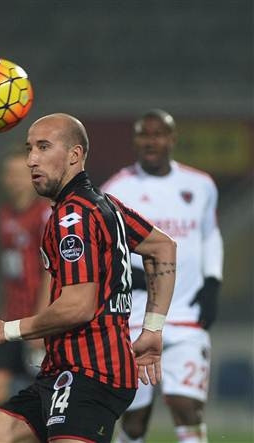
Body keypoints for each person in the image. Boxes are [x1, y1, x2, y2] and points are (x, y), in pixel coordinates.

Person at [0, 113, 178, 443]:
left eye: (44, 147)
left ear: (75, 155)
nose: (32, 160)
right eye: (30, 148)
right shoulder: (103, 204)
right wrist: (153, 328)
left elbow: (78, 306)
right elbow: (163, 247)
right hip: (62, 371)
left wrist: (4, 330)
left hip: (92, 373)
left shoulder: (72, 216)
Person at [102, 109, 223, 443]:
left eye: (158, 134)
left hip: (187, 315)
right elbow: (103, 249)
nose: (150, 141)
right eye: (144, 134)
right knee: (135, 419)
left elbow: (210, 235)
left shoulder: (201, 185)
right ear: (134, 141)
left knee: (188, 407)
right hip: (136, 317)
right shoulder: (116, 189)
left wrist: (213, 282)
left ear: (172, 139)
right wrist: (129, 274)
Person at [0, 148, 51, 408]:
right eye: (9, 174)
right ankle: (15, 427)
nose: (13, 180)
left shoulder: (45, 215)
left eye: (20, 174)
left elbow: (51, 273)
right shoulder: (5, 214)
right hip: (11, 318)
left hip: (37, 321)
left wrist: (41, 322)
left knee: (47, 394)